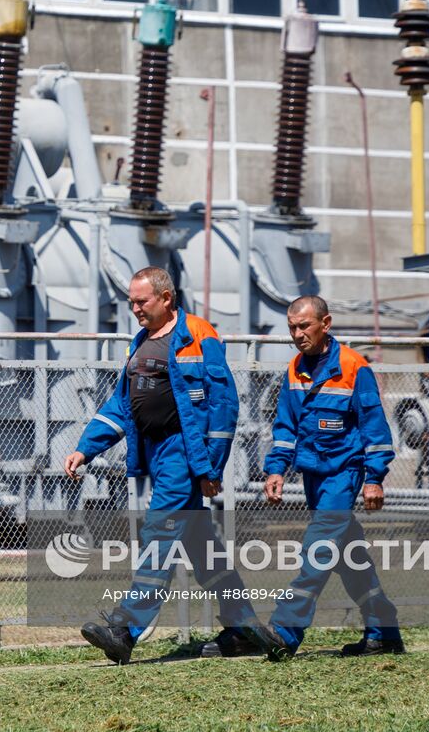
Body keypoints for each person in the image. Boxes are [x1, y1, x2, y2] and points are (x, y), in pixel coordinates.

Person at [64, 267, 287, 664]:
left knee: (159, 532)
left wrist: (211, 468)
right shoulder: (141, 342)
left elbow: (223, 404)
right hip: (157, 452)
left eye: (141, 301)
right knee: (200, 546)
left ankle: (125, 628)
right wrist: (86, 449)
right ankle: (243, 625)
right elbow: (121, 404)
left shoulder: (199, 336)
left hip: (186, 454)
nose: (134, 309)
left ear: (166, 298)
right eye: (131, 301)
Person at [256, 294, 405, 657]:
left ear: (326, 324)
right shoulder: (295, 369)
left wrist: (374, 478)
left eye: (304, 326)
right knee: (349, 558)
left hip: (344, 474)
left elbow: (375, 430)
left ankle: (286, 630)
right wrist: (276, 469)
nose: (297, 333)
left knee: (317, 549)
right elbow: (286, 427)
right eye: (292, 327)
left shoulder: (354, 368)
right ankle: (383, 630)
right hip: (313, 478)